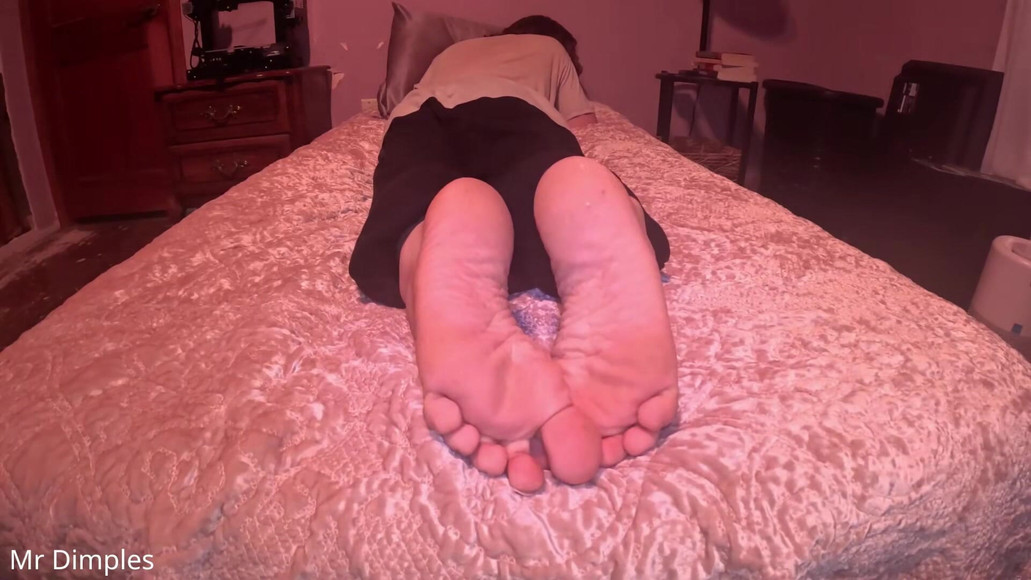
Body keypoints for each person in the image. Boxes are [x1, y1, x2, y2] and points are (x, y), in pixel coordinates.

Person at [349, 16, 678, 493]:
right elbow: (583, 121)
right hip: (518, 112)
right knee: (543, 180)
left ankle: (418, 249)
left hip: (418, 119)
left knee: (410, 196)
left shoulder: (449, 55)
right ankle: (583, 200)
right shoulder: (551, 50)